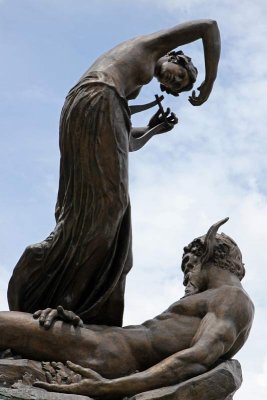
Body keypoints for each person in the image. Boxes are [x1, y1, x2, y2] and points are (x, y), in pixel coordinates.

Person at [8, 20, 221, 327]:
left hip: (90, 106)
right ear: (175, 57)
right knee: (111, 207)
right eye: (180, 77)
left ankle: (66, 293)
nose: (173, 83)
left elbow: (125, 142)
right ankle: (62, 297)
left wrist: (153, 130)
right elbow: (209, 27)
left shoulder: (125, 91)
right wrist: (208, 84)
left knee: (111, 223)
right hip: (96, 99)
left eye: (176, 87)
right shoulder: (150, 46)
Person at [0, 219, 254, 398]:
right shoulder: (217, 298)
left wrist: (113, 386)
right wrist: (81, 323)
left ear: (207, 252)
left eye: (188, 266)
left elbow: (196, 359)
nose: (186, 277)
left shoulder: (231, 298)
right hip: (101, 341)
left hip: (106, 354)